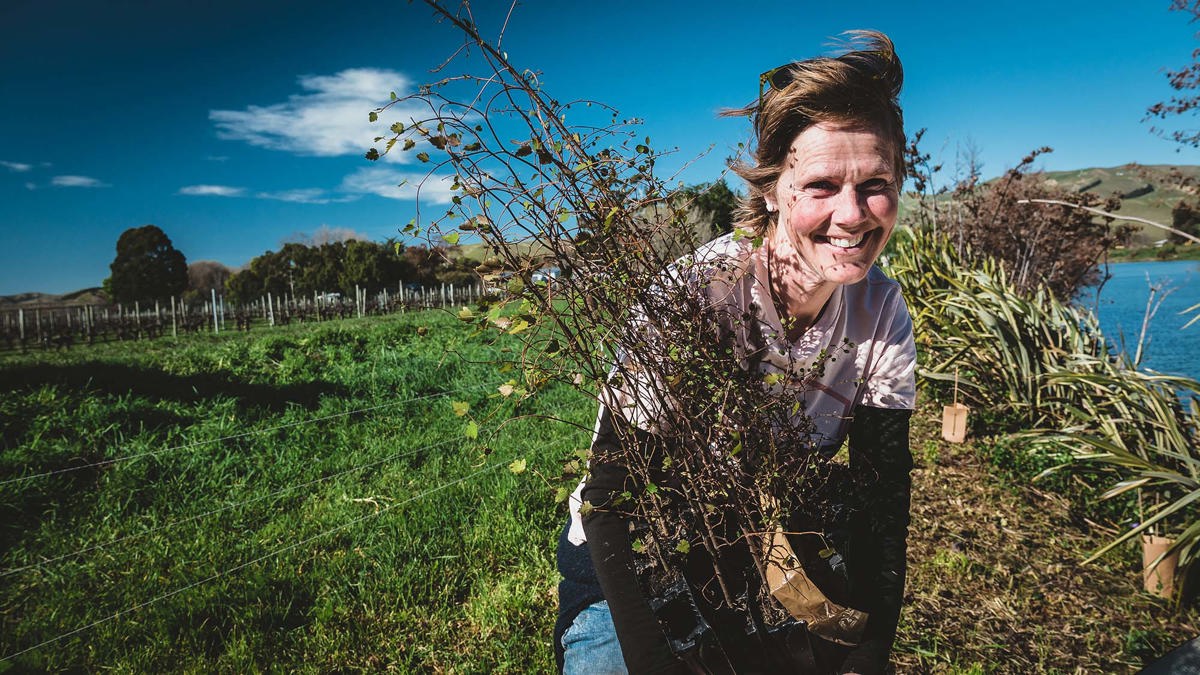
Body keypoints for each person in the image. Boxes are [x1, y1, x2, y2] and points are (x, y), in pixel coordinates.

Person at [555, 30, 916, 675]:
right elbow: (609, 502)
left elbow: (880, 499)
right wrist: (649, 660)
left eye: (876, 184)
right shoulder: (696, 296)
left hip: (761, 561)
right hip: (636, 568)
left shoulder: (881, 312)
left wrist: (871, 650)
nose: (853, 214)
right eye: (821, 185)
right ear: (774, 187)